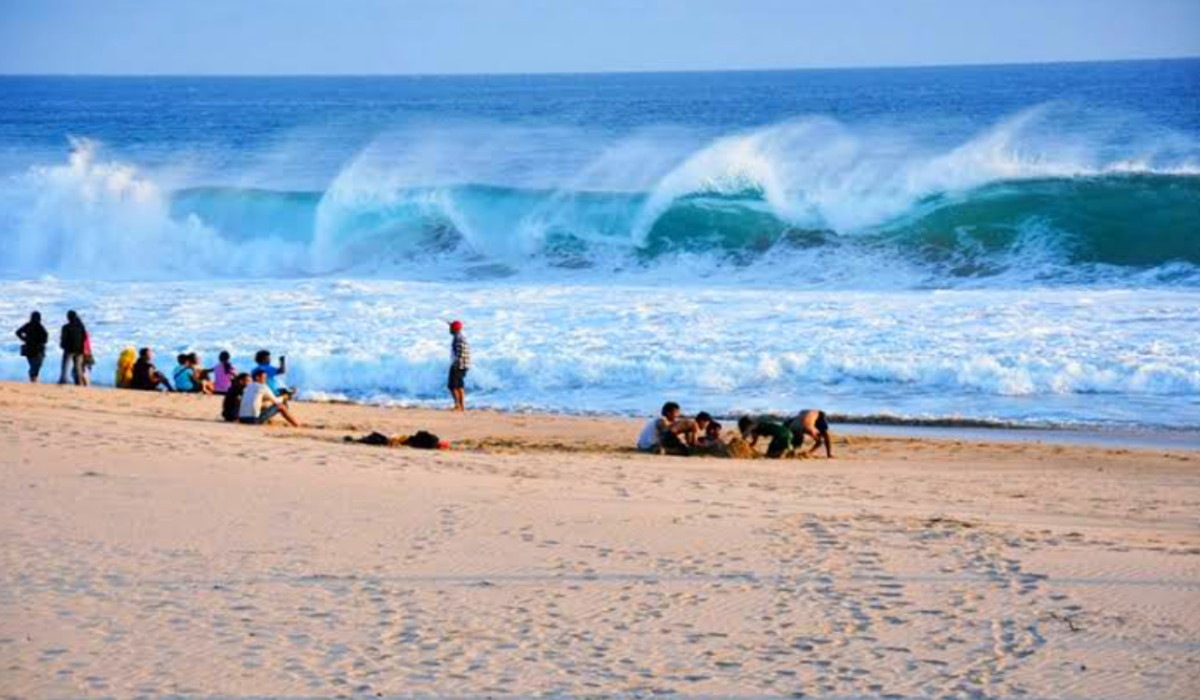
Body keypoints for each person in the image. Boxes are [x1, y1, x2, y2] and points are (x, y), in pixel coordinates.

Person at [15, 311, 49, 383]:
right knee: (37, 365)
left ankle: (33, 379)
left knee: (33, 365)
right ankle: (33, 380)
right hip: (37, 349)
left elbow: (18, 332)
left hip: (29, 349)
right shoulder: (40, 327)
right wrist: (39, 341)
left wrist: (24, 339)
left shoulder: (28, 325)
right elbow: (45, 339)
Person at [58, 310, 88, 386]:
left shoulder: (66, 327)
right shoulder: (81, 326)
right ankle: (79, 382)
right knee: (78, 367)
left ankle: (63, 380)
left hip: (69, 349)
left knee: (65, 366)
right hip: (79, 349)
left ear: (68, 317)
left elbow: (63, 338)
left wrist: (62, 345)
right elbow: (84, 337)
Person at [448, 320, 470, 412]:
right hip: (462, 365)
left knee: (454, 386)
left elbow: (460, 353)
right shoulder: (459, 336)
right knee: (456, 386)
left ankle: (459, 406)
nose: (449, 329)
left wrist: (455, 365)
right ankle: (459, 406)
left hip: (458, 365)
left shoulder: (458, 338)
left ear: (454, 329)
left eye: (450, 328)